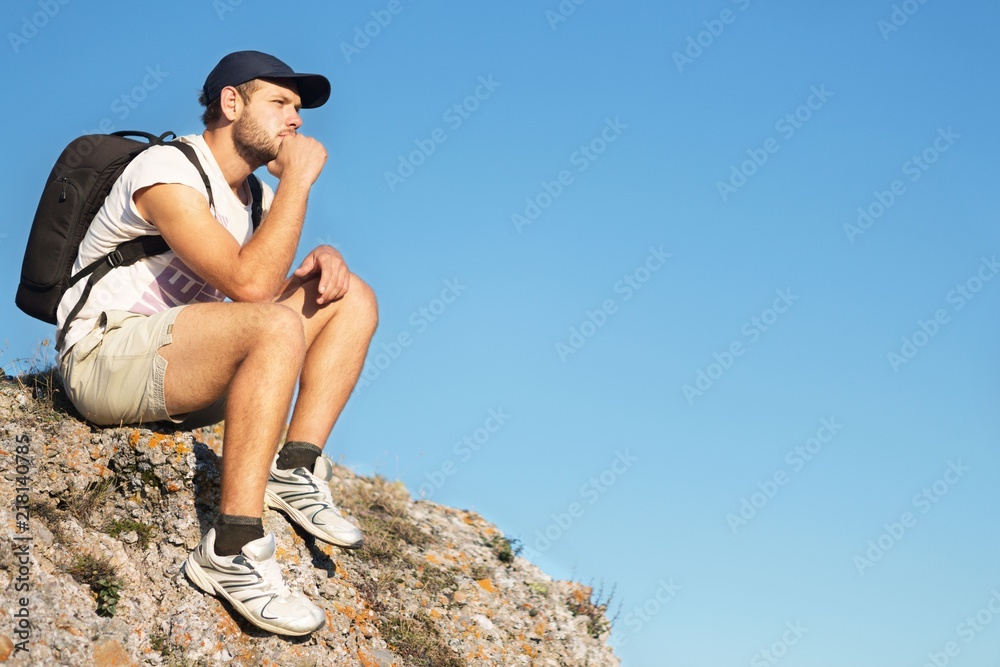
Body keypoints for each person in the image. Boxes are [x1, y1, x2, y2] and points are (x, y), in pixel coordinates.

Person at [55, 51, 378, 636]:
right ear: (232, 104)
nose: (296, 122)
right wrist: (300, 181)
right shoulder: (167, 169)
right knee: (272, 322)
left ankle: (295, 467)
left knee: (349, 294)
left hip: (178, 366)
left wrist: (321, 264)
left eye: (298, 109)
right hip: (103, 359)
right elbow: (249, 287)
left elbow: (256, 285)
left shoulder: (252, 198)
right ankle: (231, 547)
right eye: (280, 103)